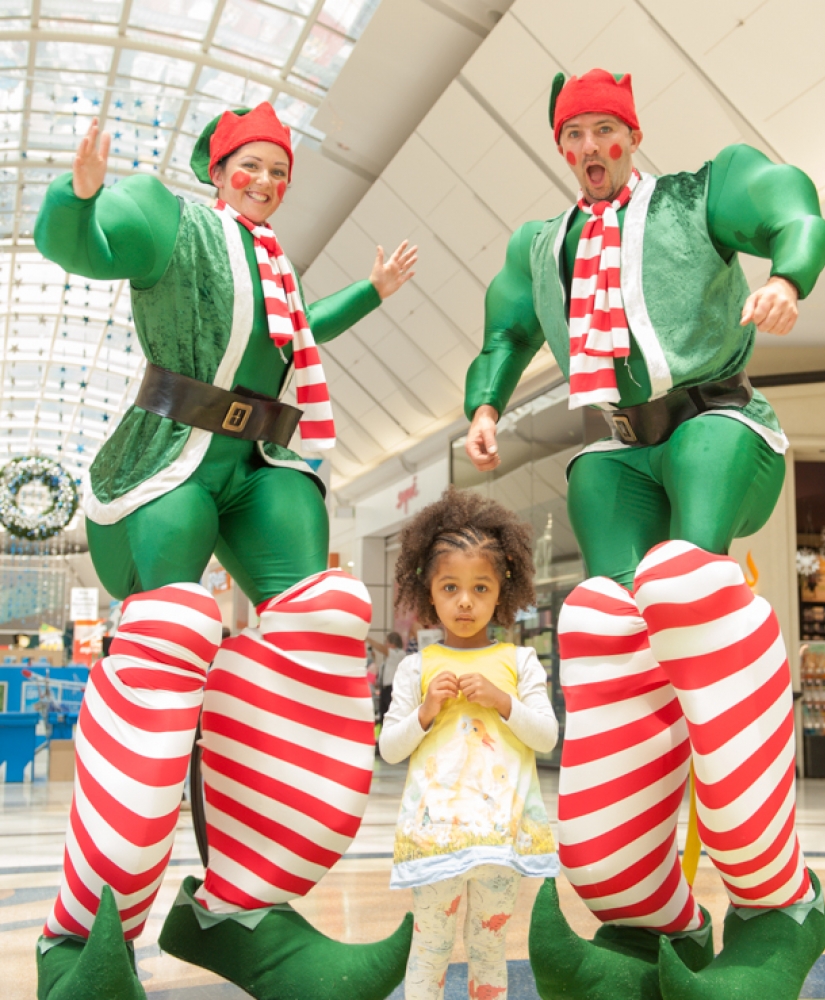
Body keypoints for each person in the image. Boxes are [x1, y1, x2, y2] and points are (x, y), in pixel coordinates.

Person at [464, 69, 825, 1000]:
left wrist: (790, 274)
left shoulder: (693, 196)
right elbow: (507, 331)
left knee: (687, 584)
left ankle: (776, 899)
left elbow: (792, 207)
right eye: (573, 134)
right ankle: (640, 903)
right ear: (560, 147)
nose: (590, 147)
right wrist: (484, 402)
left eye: (605, 129)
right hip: (620, 451)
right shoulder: (539, 244)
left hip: (718, 424)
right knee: (605, 622)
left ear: (631, 135)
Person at [33, 102, 418, 1000]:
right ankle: (82, 938)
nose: (266, 182)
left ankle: (243, 912)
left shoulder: (272, 260)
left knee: (324, 618)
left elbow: (296, 331)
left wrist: (371, 294)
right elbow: (92, 246)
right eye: (251, 165)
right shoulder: (173, 219)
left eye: (279, 171)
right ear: (216, 168)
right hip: (172, 451)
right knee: (173, 629)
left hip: (263, 459)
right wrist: (77, 198)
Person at [379, 486, 559, 1000]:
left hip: (501, 840)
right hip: (436, 841)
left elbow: (545, 737)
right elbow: (391, 748)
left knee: (489, 947)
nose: (465, 601)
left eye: (481, 588)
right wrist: (425, 712)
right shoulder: (416, 667)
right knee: (430, 947)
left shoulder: (520, 663)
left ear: (503, 590)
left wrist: (504, 702)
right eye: (451, 587)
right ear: (427, 593)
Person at [369, 631, 405, 721]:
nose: (385, 645)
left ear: (392, 643)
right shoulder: (387, 660)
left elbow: (383, 649)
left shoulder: (399, 653)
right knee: (383, 716)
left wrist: (368, 640)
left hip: (392, 688)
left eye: (387, 642)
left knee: (391, 715)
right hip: (384, 689)